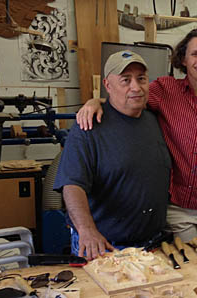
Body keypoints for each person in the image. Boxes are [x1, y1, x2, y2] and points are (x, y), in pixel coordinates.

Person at [76, 29, 197, 242]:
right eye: (195, 54)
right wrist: (95, 102)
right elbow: (132, 97)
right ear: (183, 58)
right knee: (186, 264)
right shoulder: (165, 90)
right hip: (176, 205)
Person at [54, 50, 172, 259]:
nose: (135, 87)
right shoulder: (88, 126)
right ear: (108, 85)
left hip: (152, 244)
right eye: (125, 80)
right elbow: (72, 185)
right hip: (105, 247)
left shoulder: (154, 119)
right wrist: (86, 229)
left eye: (141, 79)